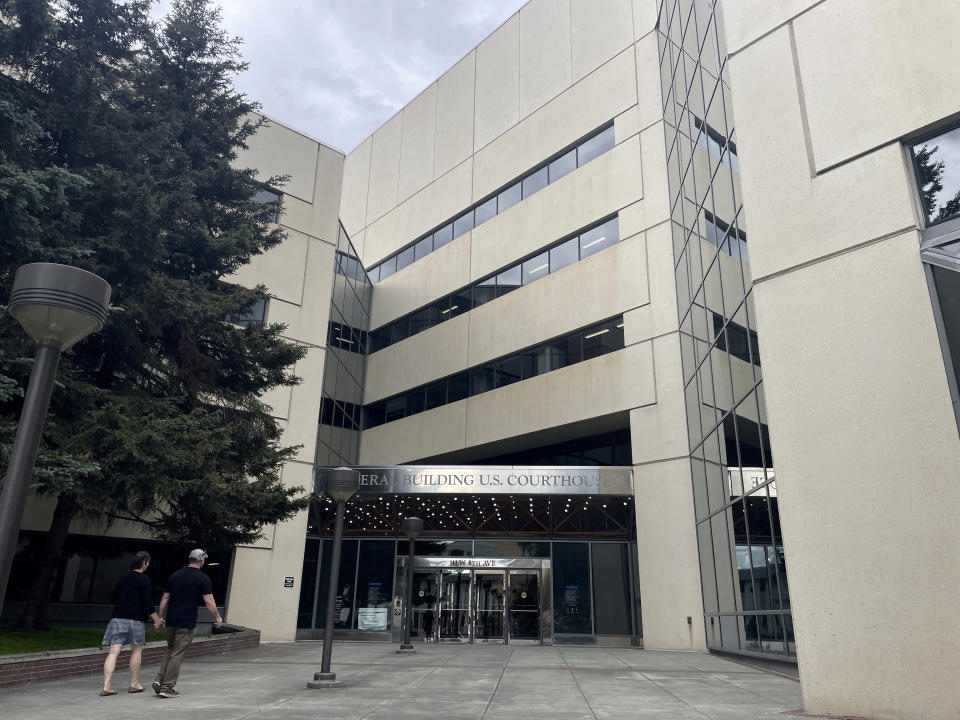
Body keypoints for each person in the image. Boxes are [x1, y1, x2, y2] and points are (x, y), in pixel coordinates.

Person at [152, 548, 223, 698]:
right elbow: (209, 601)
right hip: (187, 622)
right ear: (201, 560)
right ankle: (167, 687)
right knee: (177, 654)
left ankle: (159, 680)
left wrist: (160, 617)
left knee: (170, 650)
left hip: (171, 620)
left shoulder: (175, 575)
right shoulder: (203, 578)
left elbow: (165, 598)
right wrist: (217, 616)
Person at [100, 550, 164, 696]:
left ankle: (106, 686)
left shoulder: (123, 578)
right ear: (144, 563)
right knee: (136, 650)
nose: (148, 565)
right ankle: (134, 684)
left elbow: (112, 597)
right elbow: (147, 602)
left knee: (113, 652)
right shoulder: (144, 579)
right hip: (136, 620)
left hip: (118, 618)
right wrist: (157, 619)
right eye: (148, 562)